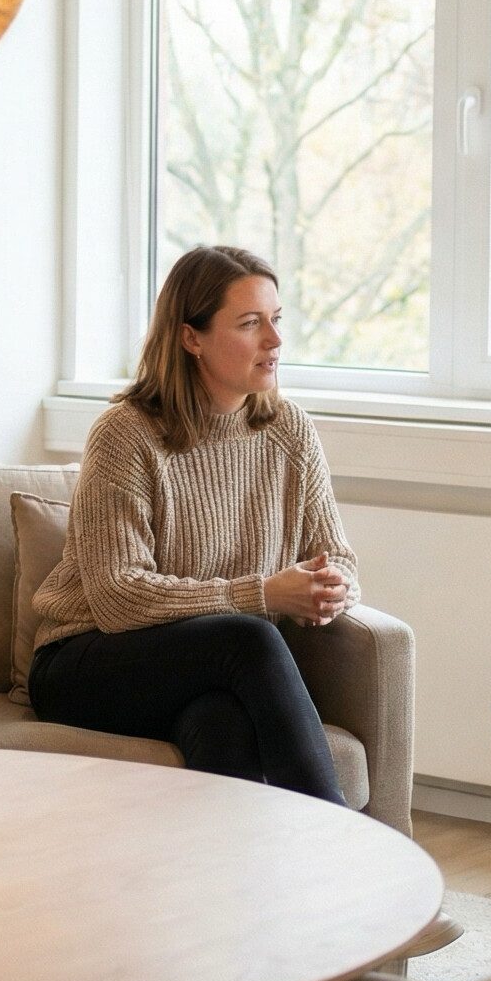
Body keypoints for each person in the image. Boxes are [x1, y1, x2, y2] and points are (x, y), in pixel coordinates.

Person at [25, 244, 354, 803]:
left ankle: (232, 887)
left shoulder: (289, 431)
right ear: (190, 337)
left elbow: (337, 554)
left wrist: (331, 587)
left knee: (221, 723)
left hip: (205, 669)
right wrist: (263, 593)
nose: (274, 341)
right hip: (86, 661)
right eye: (250, 324)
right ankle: (348, 847)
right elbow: (117, 599)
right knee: (249, 637)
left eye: (276, 320)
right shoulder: (126, 434)